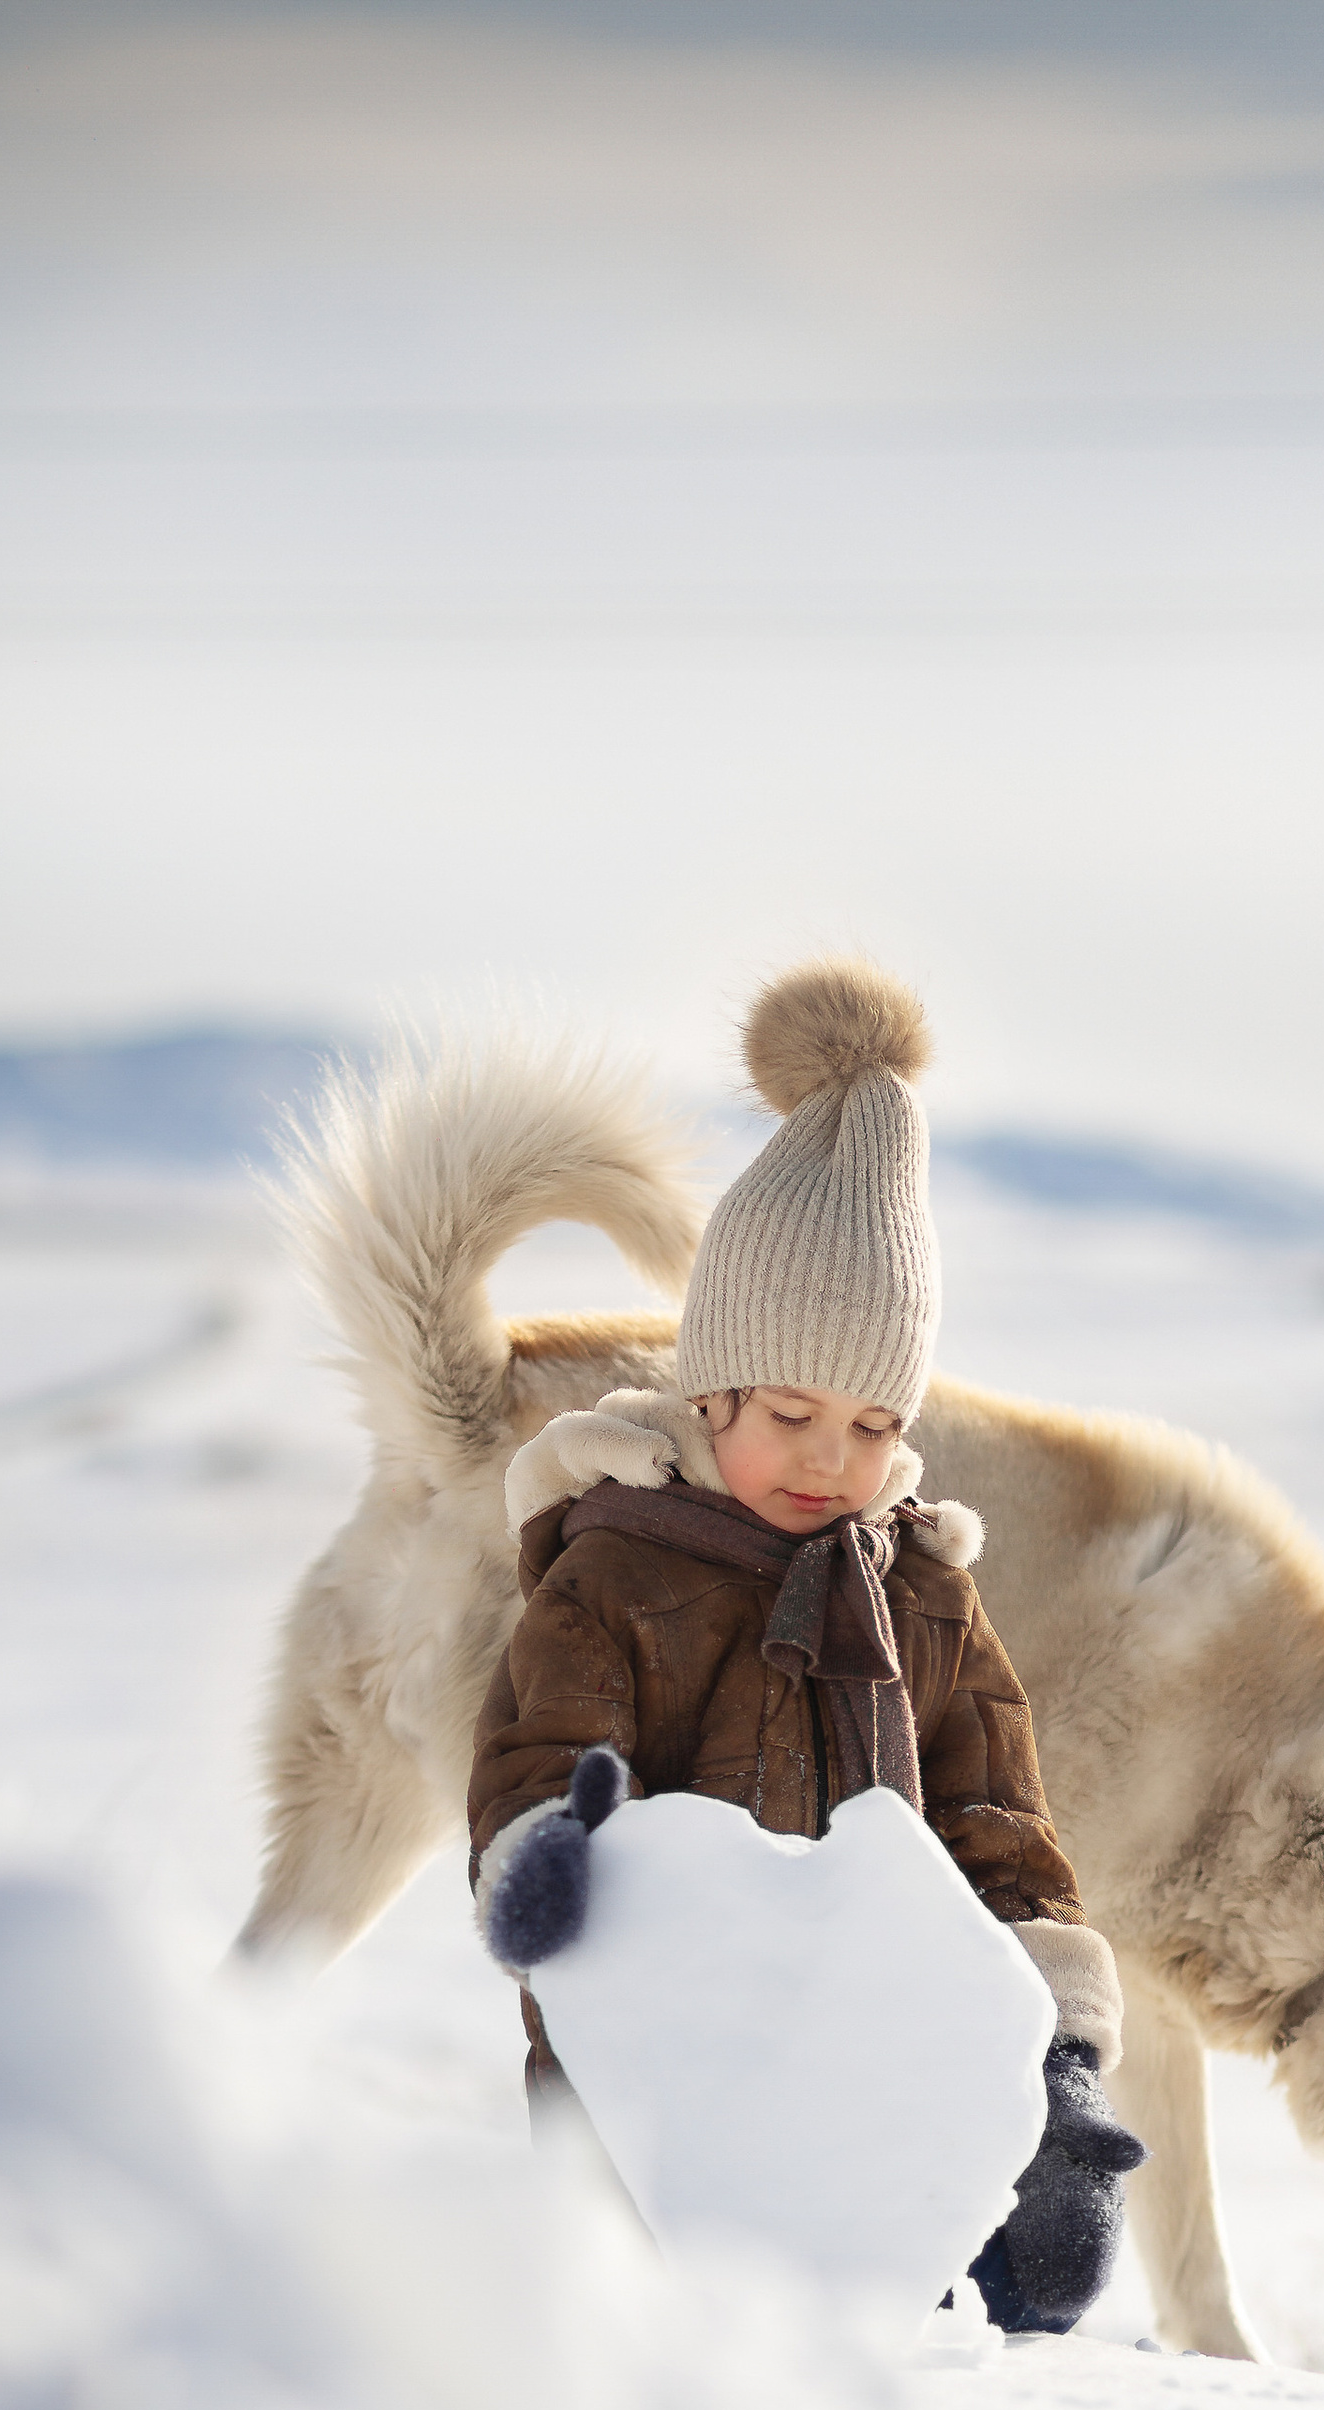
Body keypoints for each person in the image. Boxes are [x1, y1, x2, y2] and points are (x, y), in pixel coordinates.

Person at [467, 957, 1144, 2336]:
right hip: (653, 2085)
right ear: (712, 1389)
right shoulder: (618, 1570)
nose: (833, 1460)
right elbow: (541, 1748)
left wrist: (1057, 2067)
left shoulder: (924, 1598)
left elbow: (997, 1825)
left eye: (875, 1426)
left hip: (863, 2092)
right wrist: (550, 1857)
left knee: (886, 2359)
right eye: (792, 1415)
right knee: (653, 2350)